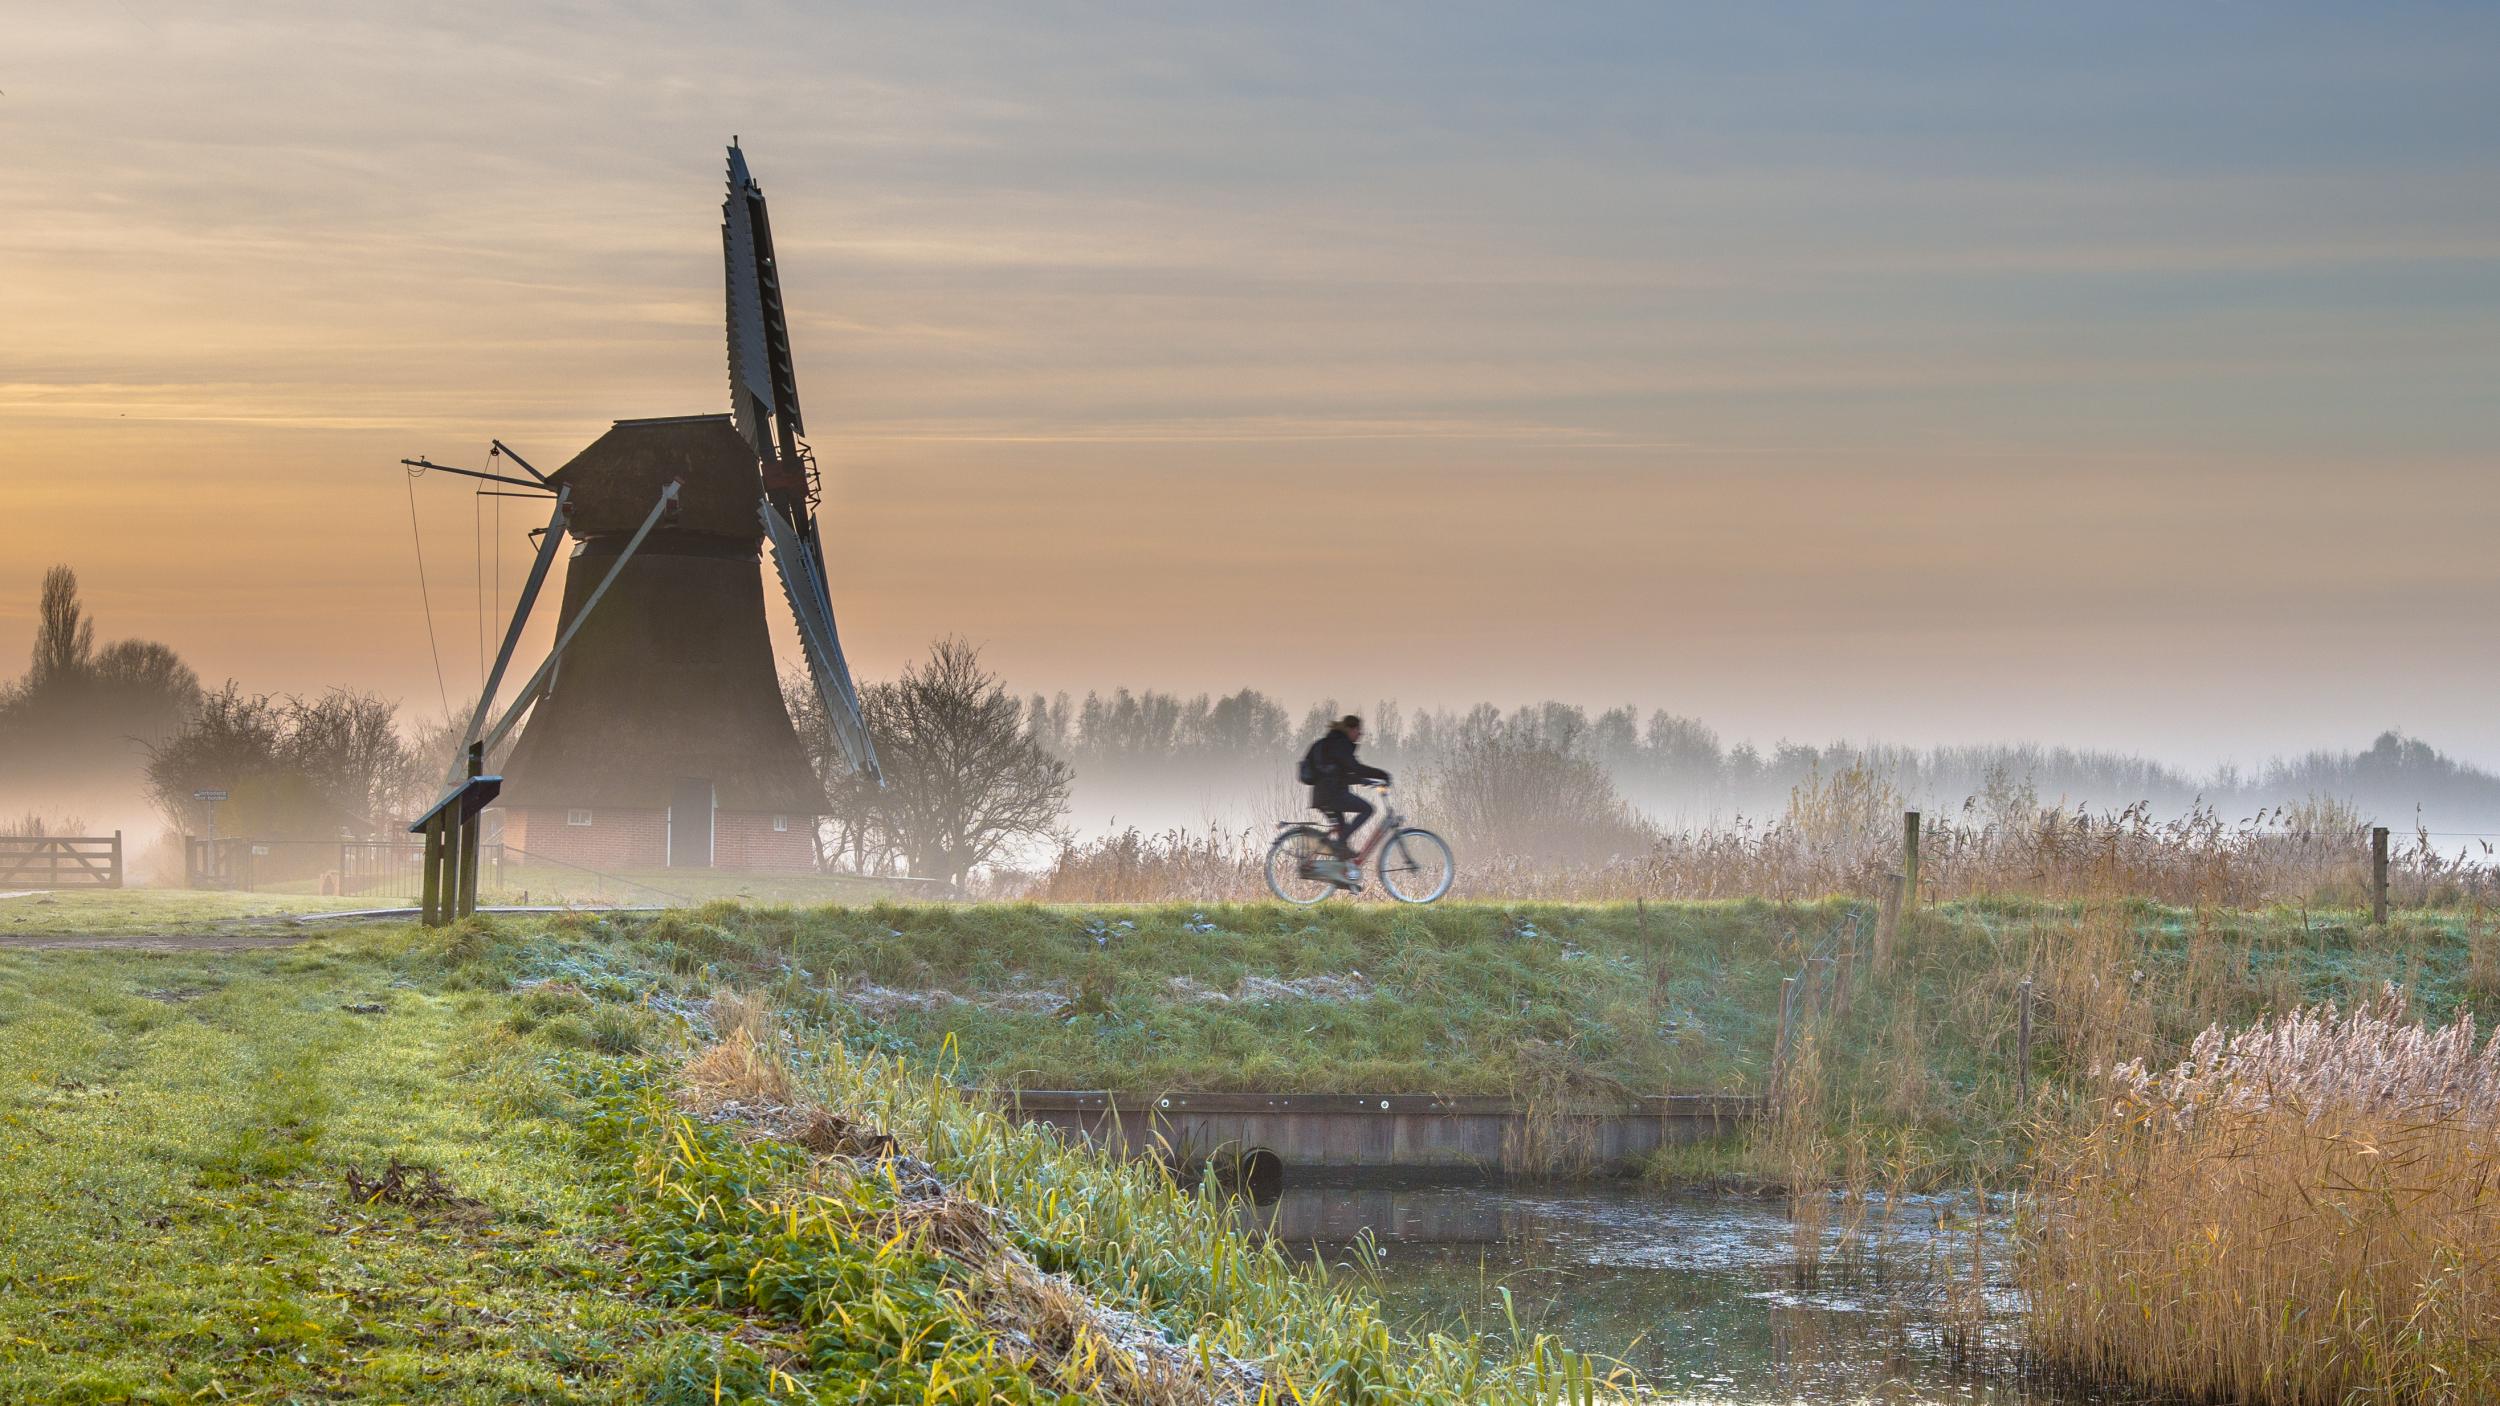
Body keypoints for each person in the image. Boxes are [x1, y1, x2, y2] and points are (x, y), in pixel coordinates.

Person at [1305, 714, 1391, 864]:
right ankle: (1339, 845)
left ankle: (1341, 871)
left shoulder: (1335, 743)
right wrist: (1382, 774)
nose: (1360, 733)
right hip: (1331, 794)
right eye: (1358, 729)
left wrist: (1363, 780)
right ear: (1351, 729)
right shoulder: (1340, 744)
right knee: (1367, 809)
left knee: (1343, 833)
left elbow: (1342, 773)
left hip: (1325, 794)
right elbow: (1355, 768)